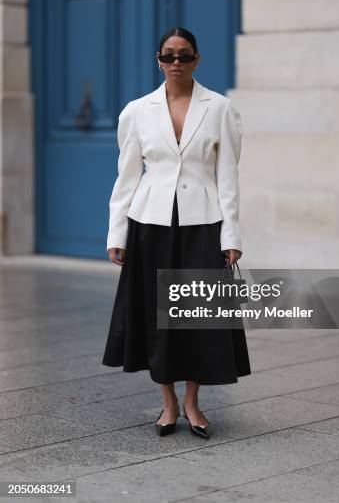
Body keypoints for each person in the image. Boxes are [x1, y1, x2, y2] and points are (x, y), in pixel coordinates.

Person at [102, 27, 251, 439]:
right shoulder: (137, 110)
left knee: (197, 317)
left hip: (203, 224)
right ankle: (168, 404)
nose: (176, 64)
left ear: (197, 59)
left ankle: (193, 403)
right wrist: (118, 234)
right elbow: (127, 176)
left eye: (184, 56)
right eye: (168, 56)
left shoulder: (221, 108)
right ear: (159, 60)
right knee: (156, 316)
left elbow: (229, 177)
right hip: (149, 225)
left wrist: (231, 236)